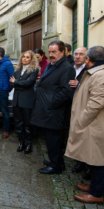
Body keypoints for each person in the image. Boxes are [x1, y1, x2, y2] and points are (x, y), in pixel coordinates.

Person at [66, 46, 104, 204]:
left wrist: (81, 120)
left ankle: (97, 193)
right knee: (92, 157)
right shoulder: (97, 72)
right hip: (92, 124)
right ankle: (94, 186)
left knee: (97, 159)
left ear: (88, 59)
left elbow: (96, 103)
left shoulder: (101, 74)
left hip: (96, 125)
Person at [31, 41, 75, 174]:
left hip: (54, 111)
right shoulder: (53, 65)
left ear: (63, 52)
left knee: (54, 139)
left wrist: (50, 103)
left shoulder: (66, 68)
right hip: (47, 109)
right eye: (50, 52)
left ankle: (55, 166)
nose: (51, 54)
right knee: (50, 139)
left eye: (54, 52)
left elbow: (66, 91)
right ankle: (56, 161)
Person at [10, 51, 40, 153]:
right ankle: (21, 142)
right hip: (17, 100)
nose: (25, 59)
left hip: (27, 101)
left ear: (31, 59)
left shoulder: (34, 70)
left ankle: (28, 143)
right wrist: (19, 83)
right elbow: (11, 83)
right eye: (23, 57)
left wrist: (17, 82)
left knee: (28, 124)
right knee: (18, 124)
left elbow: (29, 83)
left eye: (27, 57)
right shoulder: (17, 69)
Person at [68, 47, 90, 177]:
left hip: (83, 107)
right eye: (76, 54)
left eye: (81, 54)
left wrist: (79, 85)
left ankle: (87, 165)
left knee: (84, 137)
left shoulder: (89, 70)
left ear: (87, 57)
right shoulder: (70, 68)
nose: (77, 56)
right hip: (69, 104)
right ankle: (78, 161)